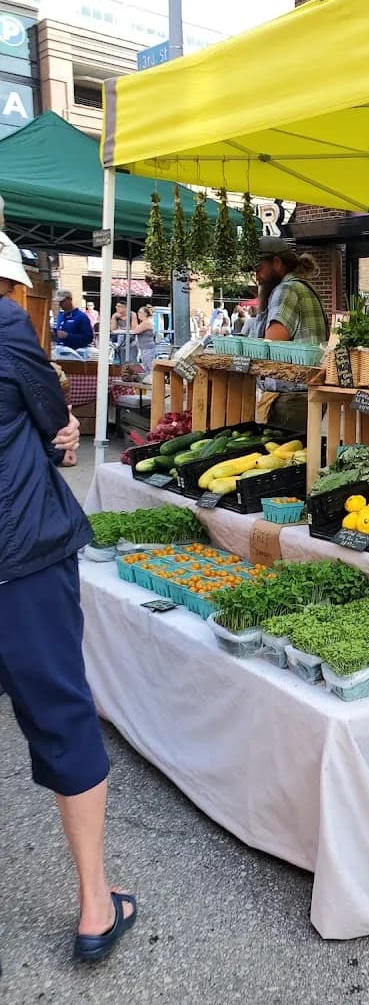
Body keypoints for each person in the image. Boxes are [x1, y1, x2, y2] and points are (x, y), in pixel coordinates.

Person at [0, 232, 137, 964]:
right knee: (61, 716)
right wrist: (60, 436)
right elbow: (57, 425)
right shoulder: (5, 327)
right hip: (17, 556)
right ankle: (93, 906)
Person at [253, 237, 329, 433]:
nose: (256, 275)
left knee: (284, 458)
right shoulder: (305, 287)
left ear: (277, 263)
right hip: (307, 394)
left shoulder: (285, 290)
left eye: (259, 268)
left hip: (291, 398)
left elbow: (270, 344)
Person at [130, 304, 156, 373]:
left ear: (145, 314)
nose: (138, 314)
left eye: (140, 312)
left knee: (149, 365)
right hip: (143, 347)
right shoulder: (143, 322)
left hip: (148, 348)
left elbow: (135, 330)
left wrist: (134, 318)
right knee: (145, 365)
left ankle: (155, 381)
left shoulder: (147, 322)